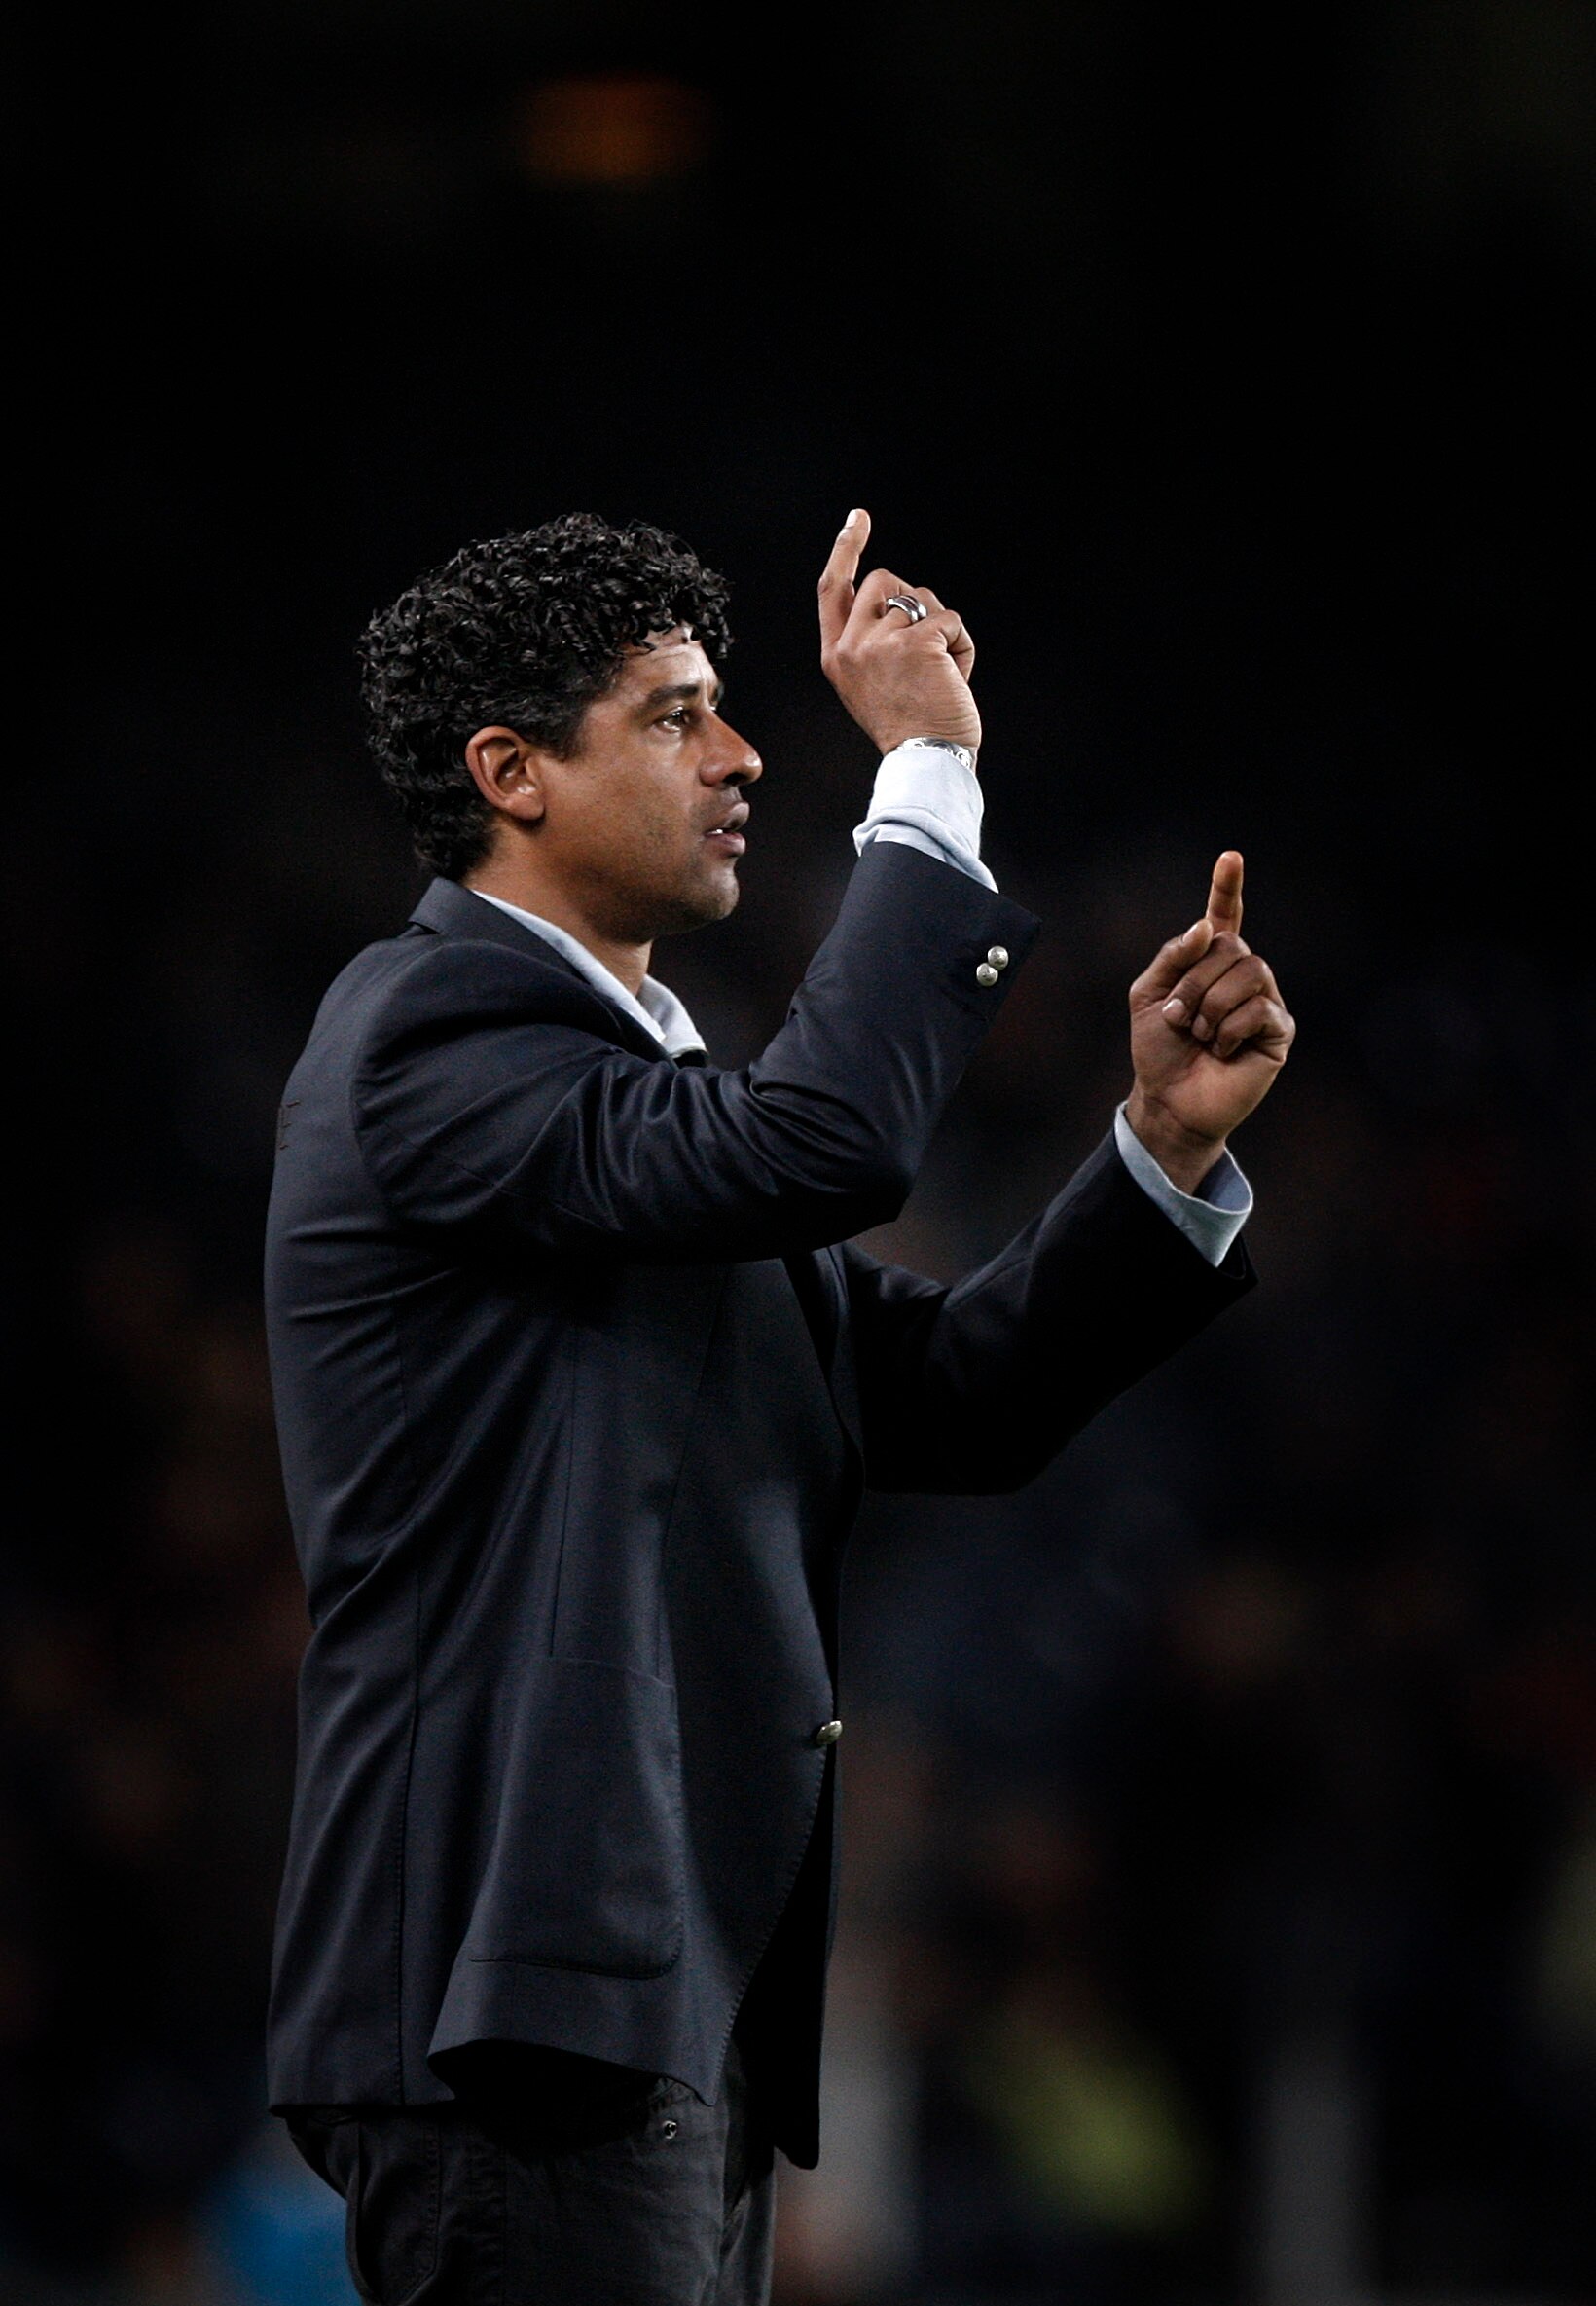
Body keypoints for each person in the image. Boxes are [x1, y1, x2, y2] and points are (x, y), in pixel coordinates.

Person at [264, 508, 1294, 2303]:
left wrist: (1161, 1151)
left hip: (652, 1996)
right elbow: (824, 1142)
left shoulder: (634, 1113)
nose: (743, 754)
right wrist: (927, 774)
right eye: (677, 716)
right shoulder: (425, 1034)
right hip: (515, 2005)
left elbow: (952, 1400)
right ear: (511, 773)